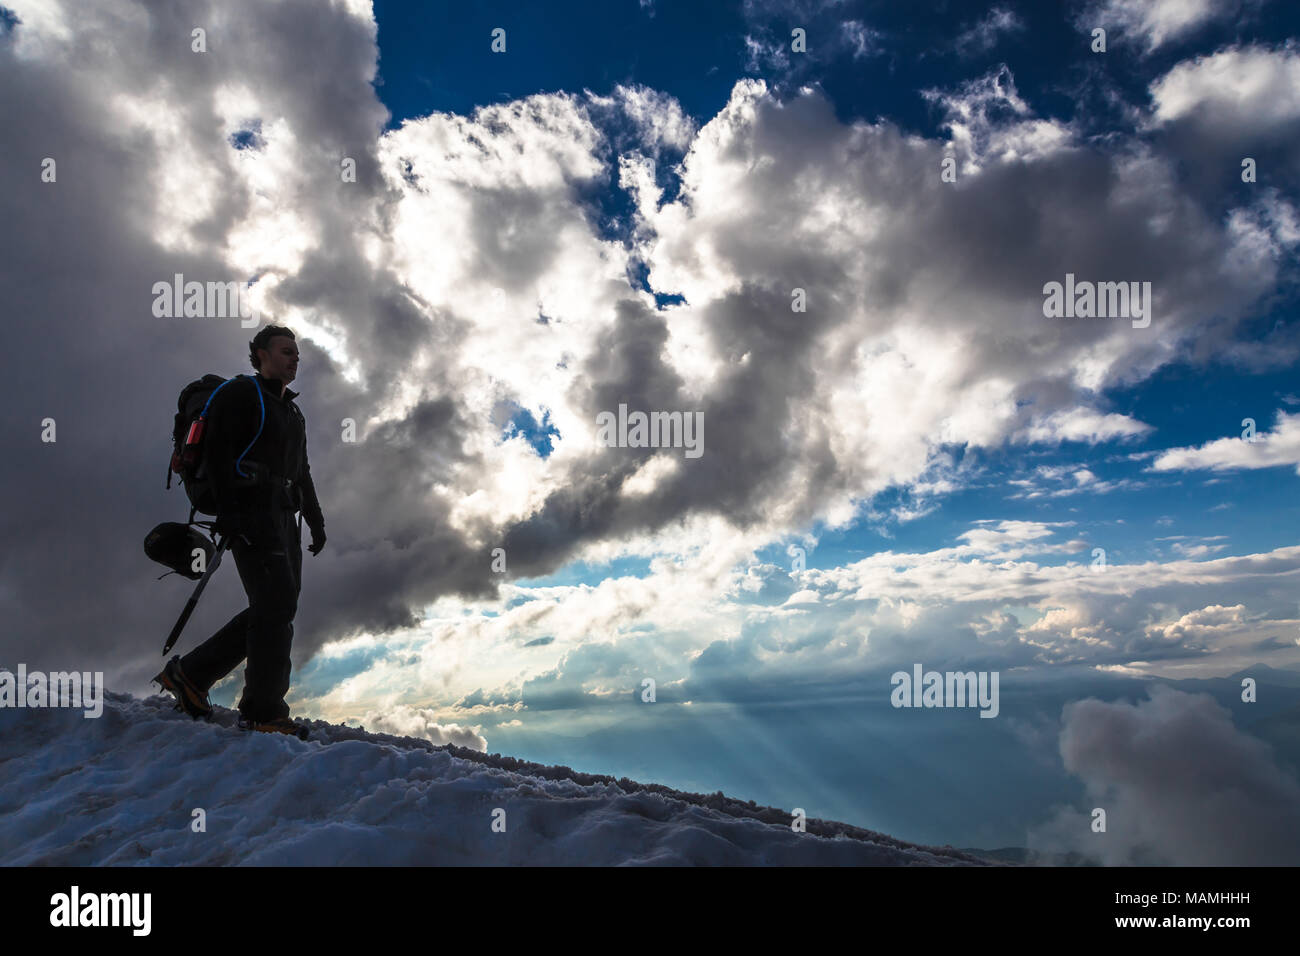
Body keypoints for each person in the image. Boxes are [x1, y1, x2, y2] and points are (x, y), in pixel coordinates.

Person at [154, 325, 326, 736]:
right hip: (251, 514)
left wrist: (316, 521)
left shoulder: (290, 410)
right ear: (260, 355)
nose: (294, 359)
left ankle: (191, 675)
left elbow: (300, 471)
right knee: (276, 606)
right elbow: (217, 457)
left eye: (296, 353)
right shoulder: (240, 395)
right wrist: (232, 514)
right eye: (285, 351)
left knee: (276, 608)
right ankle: (263, 712)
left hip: (284, 515)